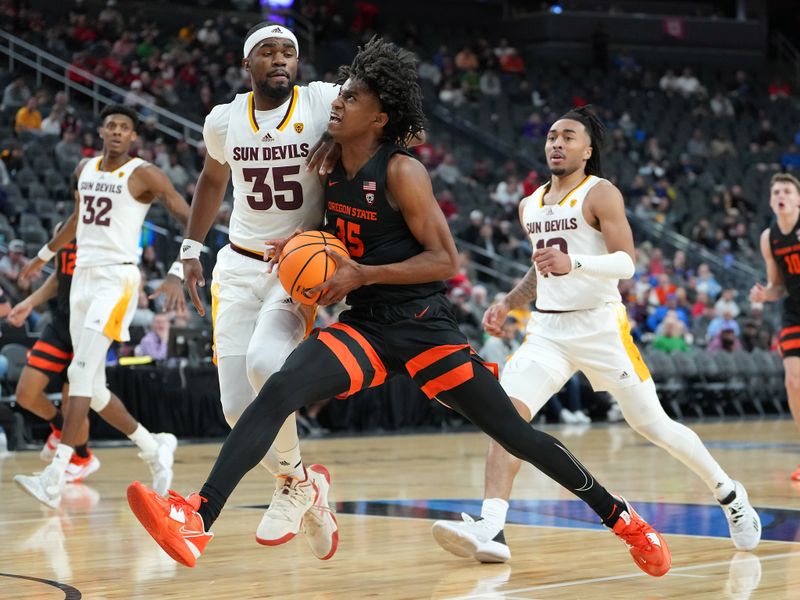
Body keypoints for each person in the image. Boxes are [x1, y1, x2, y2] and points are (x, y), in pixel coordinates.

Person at [127, 38, 671, 577]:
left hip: (423, 326)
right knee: (276, 387)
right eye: (340, 96)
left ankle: (622, 519)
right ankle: (198, 515)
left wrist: (363, 273)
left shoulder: (403, 172)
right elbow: (322, 225)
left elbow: (444, 260)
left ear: (379, 118)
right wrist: (296, 245)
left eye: (353, 100)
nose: (337, 103)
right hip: (365, 325)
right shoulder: (329, 160)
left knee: (516, 435)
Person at [431, 105, 760, 564]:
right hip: (547, 329)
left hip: (600, 325)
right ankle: (492, 529)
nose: (557, 143)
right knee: (505, 417)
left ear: (587, 150)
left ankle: (729, 494)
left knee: (653, 425)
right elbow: (540, 268)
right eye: (551, 136)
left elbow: (627, 262)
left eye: (568, 136)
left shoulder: (600, 194)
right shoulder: (531, 203)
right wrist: (509, 301)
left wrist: (577, 264)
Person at [175, 22, 341, 560]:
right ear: (248, 64)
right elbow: (212, 180)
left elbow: (390, 121)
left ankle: (293, 486)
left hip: (295, 267)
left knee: (267, 366)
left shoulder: (322, 102)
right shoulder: (224, 120)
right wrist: (189, 250)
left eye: (288, 52)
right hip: (238, 268)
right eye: (267, 51)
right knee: (235, 410)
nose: (279, 59)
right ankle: (305, 483)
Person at [13, 104, 189, 509]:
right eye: (110, 125)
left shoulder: (144, 173)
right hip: (82, 282)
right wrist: (44, 254)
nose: (116, 132)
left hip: (117, 279)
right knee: (92, 389)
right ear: (101, 130)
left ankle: (54, 477)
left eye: (124, 127)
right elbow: (79, 218)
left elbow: (187, 214)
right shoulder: (85, 169)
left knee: (78, 373)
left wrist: (179, 268)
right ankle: (154, 446)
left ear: (132, 137)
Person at [9, 229, 99, 482]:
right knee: (26, 393)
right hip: (61, 323)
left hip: (90, 326)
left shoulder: (105, 230)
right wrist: (29, 302)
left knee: (74, 404)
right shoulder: (64, 229)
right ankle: (61, 430)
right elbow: (61, 277)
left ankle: (82, 457)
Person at [750, 172, 800, 481]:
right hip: (793, 311)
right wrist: (767, 293)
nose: (781, 195)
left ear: (798, 199)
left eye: (787, 191)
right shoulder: (769, 237)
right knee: (793, 382)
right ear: (771, 201)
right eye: (776, 192)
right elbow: (778, 285)